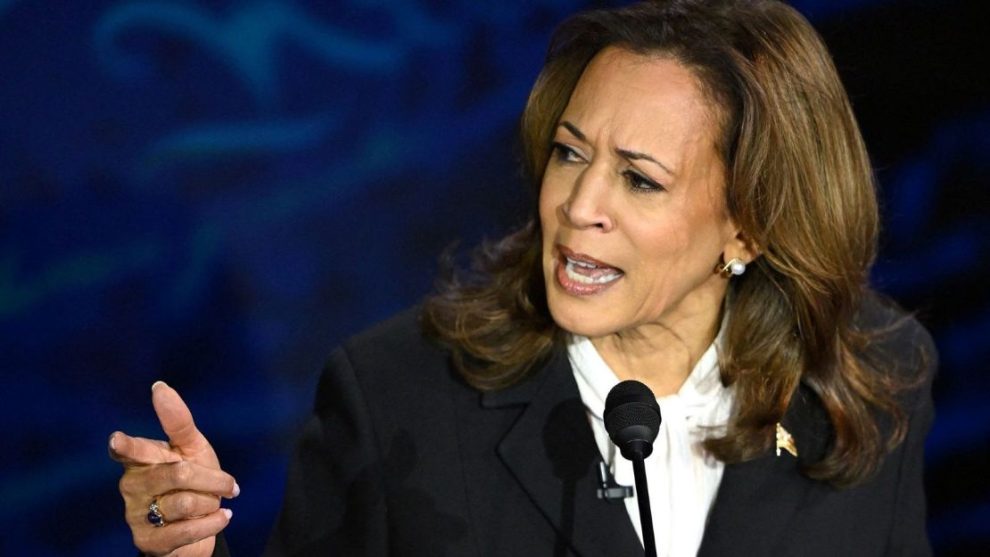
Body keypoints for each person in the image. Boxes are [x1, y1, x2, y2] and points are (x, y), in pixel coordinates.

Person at [109, 1, 936, 555]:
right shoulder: (398, 397)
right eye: (571, 153)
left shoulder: (869, 379)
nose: (579, 205)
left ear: (748, 222)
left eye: (639, 178)